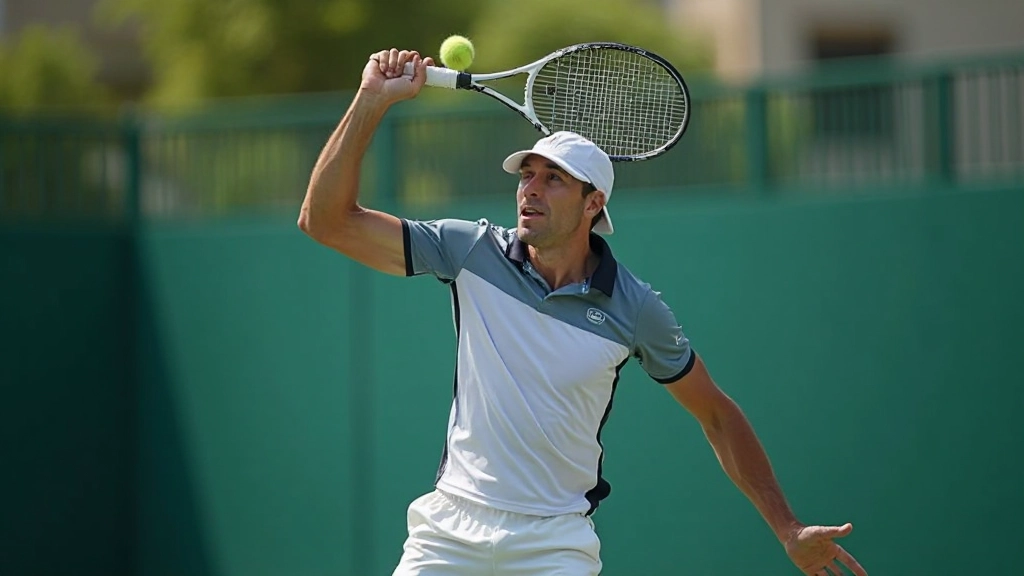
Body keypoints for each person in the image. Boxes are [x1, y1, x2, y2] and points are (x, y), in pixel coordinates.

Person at [298, 48, 868, 576]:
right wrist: (371, 99)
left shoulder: (636, 308)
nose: (530, 190)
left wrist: (788, 528)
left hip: (555, 545)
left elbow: (716, 415)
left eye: (553, 179)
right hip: (449, 530)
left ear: (594, 203)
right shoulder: (470, 250)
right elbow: (325, 221)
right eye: (526, 175)